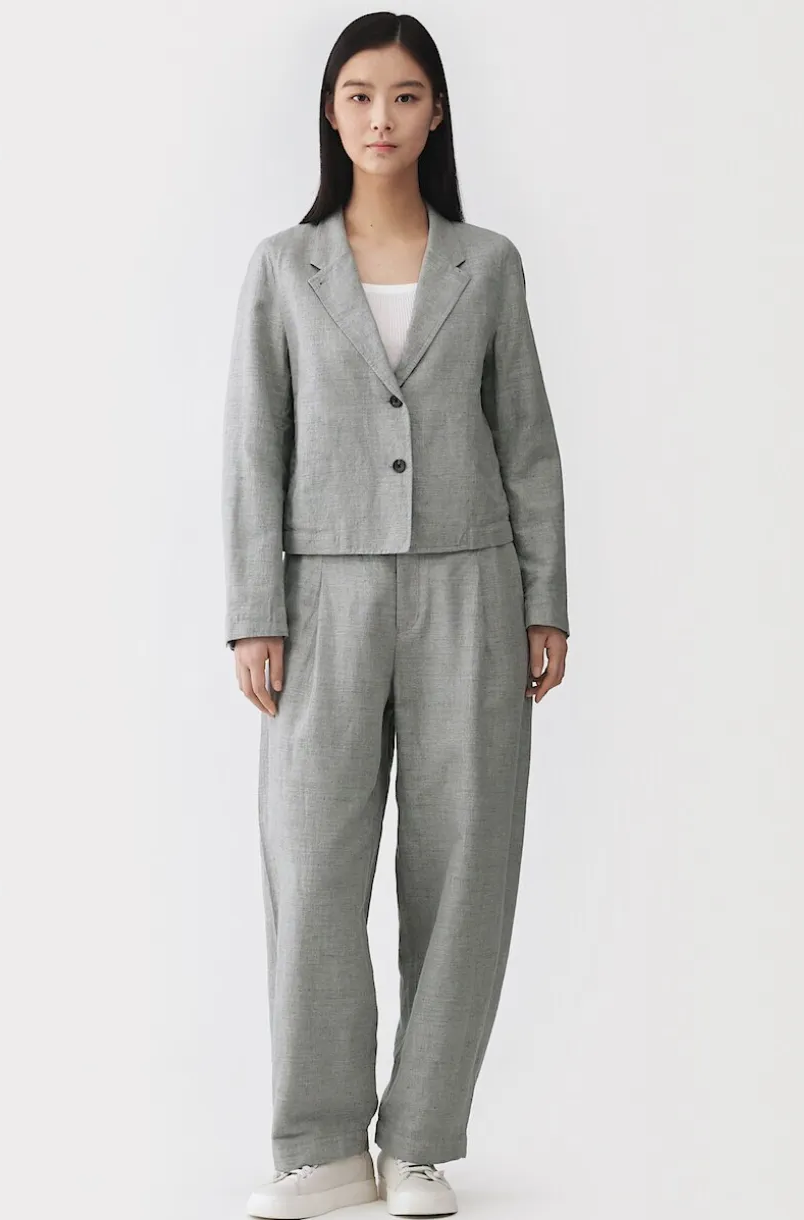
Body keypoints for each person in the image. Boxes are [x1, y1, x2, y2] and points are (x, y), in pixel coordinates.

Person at [221, 13, 569, 1219]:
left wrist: (544, 598)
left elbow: (526, 440)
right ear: (330, 113)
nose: (381, 116)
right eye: (360, 95)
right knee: (311, 860)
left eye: (405, 95)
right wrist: (253, 610)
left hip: (471, 584)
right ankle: (320, 1144)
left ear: (435, 114)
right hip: (319, 593)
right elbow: (252, 447)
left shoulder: (488, 264)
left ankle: (418, 1140)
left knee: (465, 862)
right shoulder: (284, 266)